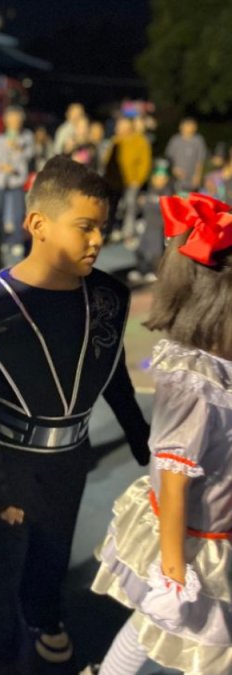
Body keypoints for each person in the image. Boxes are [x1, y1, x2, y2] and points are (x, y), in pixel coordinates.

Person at [0, 156, 151, 674]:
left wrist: (143, 439)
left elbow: (112, 370)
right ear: (37, 224)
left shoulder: (108, 296)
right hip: (9, 463)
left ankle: (45, 613)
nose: (98, 239)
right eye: (85, 226)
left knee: (53, 551)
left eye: (102, 226)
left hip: (70, 458)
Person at [85, 193, 232, 675]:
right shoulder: (196, 384)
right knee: (199, 645)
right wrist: (173, 571)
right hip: (194, 541)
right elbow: (173, 480)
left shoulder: (216, 368)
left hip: (213, 528)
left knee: (157, 633)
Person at [0, 106, 34, 263]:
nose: (14, 123)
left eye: (17, 120)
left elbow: (29, 155)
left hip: (16, 182)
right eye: (11, 120)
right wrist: (3, 167)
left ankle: (16, 243)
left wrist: (18, 149)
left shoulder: (27, 137)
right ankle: (2, 242)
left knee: (17, 214)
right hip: (1, 181)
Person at [128, 162, 174, 285]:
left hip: (159, 228)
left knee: (156, 251)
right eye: (157, 177)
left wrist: (147, 202)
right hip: (147, 225)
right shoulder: (147, 190)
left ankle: (155, 271)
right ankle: (141, 269)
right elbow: (138, 206)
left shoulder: (168, 192)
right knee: (141, 249)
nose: (159, 181)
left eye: (162, 178)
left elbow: (164, 207)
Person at [111, 116, 153, 242]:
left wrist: (138, 179)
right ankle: (113, 229)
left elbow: (145, 162)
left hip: (132, 181)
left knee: (130, 205)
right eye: (118, 126)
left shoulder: (140, 141)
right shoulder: (116, 141)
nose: (119, 128)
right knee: (114, 206)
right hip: (116, 181)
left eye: (122, 125)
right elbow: (109, 161)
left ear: (130, 127)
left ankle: (128, 232)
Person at [165, 118, 207, 194]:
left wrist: (197, 175)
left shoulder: (198, 140)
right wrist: (174, 169)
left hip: (192, 179)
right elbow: (168, 158)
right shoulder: (175, 140)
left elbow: (200, 160)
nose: (189, 128)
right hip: (176, 180)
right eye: (187, 126)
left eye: (192, 126)